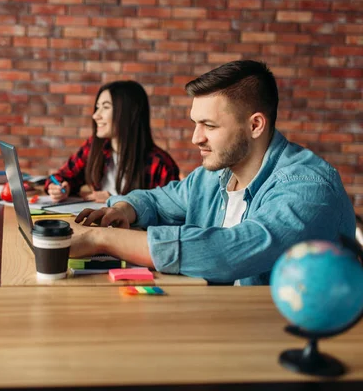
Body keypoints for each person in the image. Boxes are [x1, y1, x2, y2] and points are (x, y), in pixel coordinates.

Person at [71, 60, 356, 286]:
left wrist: (100, 239)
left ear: (255, 125)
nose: (196, 138)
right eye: (195, 123)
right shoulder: (212, 176)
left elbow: (227, 252)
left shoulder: (308, 187)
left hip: (285, 341)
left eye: (209, 125)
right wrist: (123, 208)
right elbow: (157, 200)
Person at [45, 80, 179, 203]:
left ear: (129, 113)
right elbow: (62, 176)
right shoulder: (94, 147)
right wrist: (59, 187)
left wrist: (115, 200)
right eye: (97, 107)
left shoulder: (161, 164)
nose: (96, 115)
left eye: (106, 107)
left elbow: (171, 212)